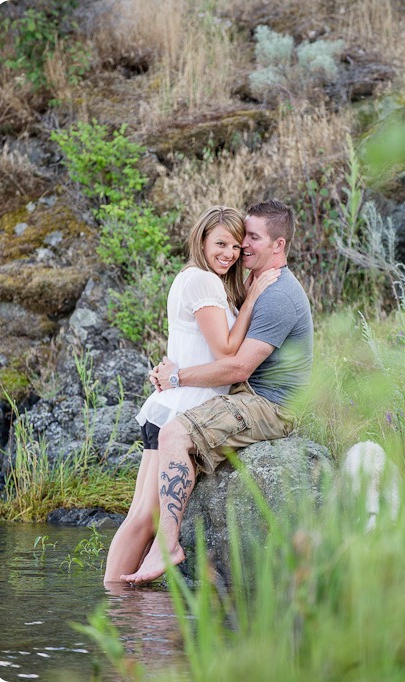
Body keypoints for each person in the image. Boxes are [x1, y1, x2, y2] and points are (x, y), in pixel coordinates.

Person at [120, 198, 314, 585]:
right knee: (143, 502)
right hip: (246, 396)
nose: (243, 247)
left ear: (279, 245)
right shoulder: (251, 285)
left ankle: (168, 545)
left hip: (269, 406)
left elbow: (239, 365)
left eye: (252, 239)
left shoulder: (278, 295)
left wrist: (177, 377)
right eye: (242, 238)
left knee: (175, 431)